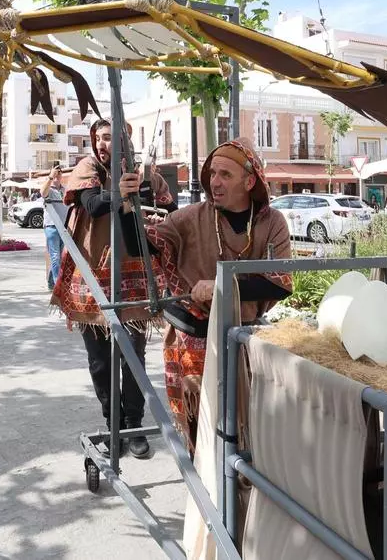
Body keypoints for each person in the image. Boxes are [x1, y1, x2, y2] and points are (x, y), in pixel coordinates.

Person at [116, 137, 292, 455]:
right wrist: (126, 204)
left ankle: (238, 494)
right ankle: (206, 496)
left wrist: (223, 285)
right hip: (191, 334)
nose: (215, 182)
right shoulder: (191, 217)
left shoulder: (272, 222)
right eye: (212, 174)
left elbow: (279, 283)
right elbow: (138, 245)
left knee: (244, 429)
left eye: (225, 174)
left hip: (243, 335)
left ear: (249, 181)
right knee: (201, 429)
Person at [50, 120, 173, 459]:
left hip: (134, 282)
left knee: (133, 358)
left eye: (111, 137)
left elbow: (169, 209)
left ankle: (134, 424)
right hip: (91, 281)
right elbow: (92, 204)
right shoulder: (88, 166)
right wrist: (121, 192)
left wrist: (146, 201)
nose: (104, 143)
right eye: (99, 138)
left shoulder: (144, 171)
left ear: (125, 140)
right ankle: (113, 423)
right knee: (100, 362)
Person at [41, 165, 67, 290]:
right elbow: (43, 193)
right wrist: (51, 176)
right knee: (55, 256)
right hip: (52, 226)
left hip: (64, 227)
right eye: (56, 173)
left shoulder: (64, 190)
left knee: (60, 257)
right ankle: (58, 286)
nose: (57, 175)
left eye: (59, 173)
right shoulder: (49, 188)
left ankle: (51, 282)